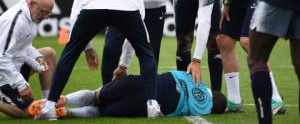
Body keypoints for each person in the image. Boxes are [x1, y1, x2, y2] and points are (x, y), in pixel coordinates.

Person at [158, 0, 283, 113]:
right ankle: (234, 101)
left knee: (247, 41)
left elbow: (204, 22)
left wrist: (196, 60)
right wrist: (228, 2)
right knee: (224, 40)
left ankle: (275, 99)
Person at [35, 0, 164, 120]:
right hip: (126, 7)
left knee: (69, 54)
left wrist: (87, 48)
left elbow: (75, 13)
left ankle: (49, 107)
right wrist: (125, 63)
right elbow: (140, 15)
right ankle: (152, 105)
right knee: (146, 53)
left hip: (92, 7)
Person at [28, 70, 227, 119]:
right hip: (145, 106)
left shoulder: (193, 77)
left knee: (96, 95)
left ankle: (64, 99)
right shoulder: (204, 109)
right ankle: (68, 113)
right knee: (101, 111)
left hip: (140, 84)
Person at [0, 0, 56, 118]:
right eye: (43, 11)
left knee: (48, 54)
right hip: (3, 73)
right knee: (29, 112)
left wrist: (37, 57)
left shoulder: (30, 15)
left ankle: (48, 105)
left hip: (15, 66)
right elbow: (1, 58)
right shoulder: (14, 20)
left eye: (48, 13)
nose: (45, 17)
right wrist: (21, 85)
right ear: (31, 3)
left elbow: (23, 45)